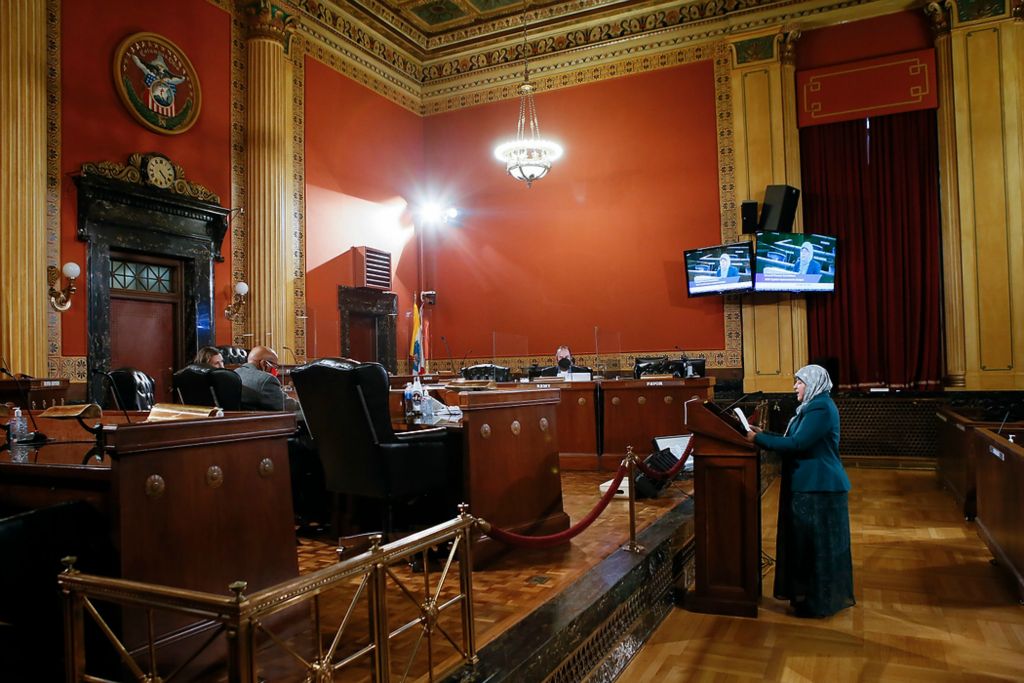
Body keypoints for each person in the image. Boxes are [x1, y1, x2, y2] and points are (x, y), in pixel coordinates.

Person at [745, 364, 854, 618]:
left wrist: (758, 440)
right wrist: (765, 434)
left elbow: (798, 443)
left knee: (816, 547)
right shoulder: (812, 407)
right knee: (806, 546)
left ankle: (818, 601)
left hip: (819, 486)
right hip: (810, 485)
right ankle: (806, 596)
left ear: (813, 383)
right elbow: (794, 438)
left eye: (799, 382)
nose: (795, 386)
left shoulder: (820, 407)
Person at [235, 345, 298, 412]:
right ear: (265, 364)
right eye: (275, 366)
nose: (276, 370)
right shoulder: (266, 380)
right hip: (262, 420)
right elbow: (288, 405)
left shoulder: (235, 372)